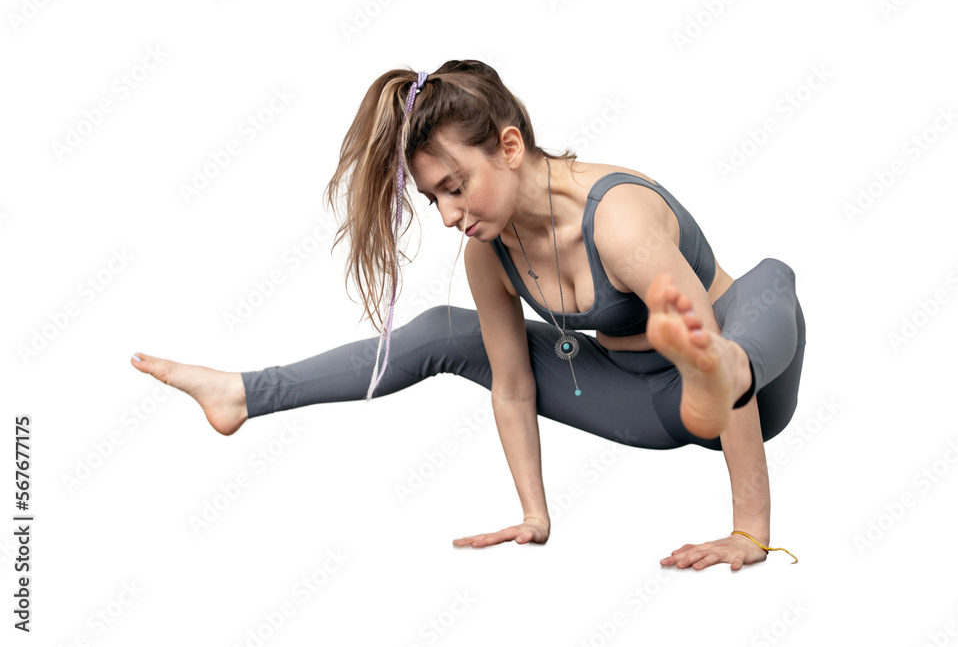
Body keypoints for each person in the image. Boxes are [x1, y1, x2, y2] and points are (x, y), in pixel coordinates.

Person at [131, 60, 806, 571]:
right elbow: (512, 384)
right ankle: (243, 393)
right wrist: (534, 513)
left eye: (456, 187)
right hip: (644, 402)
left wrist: (750, 531)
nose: (451, 214)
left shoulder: (619, 220)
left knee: (766, 285)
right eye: (434, 200)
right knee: (443, 329)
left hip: (750, 388)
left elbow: (720, 354)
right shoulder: (493, 250)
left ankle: (709, 372)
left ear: (509, 147)